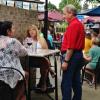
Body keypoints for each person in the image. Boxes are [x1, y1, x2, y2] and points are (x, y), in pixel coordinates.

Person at [61, 5, 85, 100]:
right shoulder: (78, 24)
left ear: (71, 13)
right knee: (76, 81)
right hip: (77, 55)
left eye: (64, 14)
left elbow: (71, 47)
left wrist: (66, 61)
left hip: (72, 56)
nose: (63, 16)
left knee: (66, 83)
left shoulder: (74, 25)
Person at [0, 21, 28, 100]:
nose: (14, 30)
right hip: (10, 71)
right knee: (26, 75)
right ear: (8, 31)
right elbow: (24, 53)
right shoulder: (13, 41)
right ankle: (18, 98)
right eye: (13, 28)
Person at [23, 25, 55, 91]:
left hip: (41, 59)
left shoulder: (41, 39)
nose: (31, 31)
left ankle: (43, 82)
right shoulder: (27, 40)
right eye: (30, 30)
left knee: (44, 61)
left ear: (36, 31)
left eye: (33, 30)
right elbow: (24, 50)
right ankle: (50, 70)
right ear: (28, 32)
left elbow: (46, 51)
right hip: (31, 59)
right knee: (45, 61)